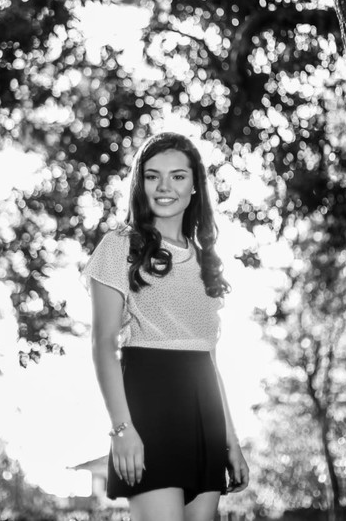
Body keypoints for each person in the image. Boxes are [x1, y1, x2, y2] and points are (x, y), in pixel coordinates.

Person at [82, 131, 250, 521]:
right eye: (152, 175)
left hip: (205, 413)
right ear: (139, 184)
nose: (164, 187)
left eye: (177, 176)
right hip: (150, 409)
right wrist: (122, 428)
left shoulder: (205, 259)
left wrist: (231, 441)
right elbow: (103, 344)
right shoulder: (120, 245)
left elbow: (210, 359)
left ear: (195, 186)